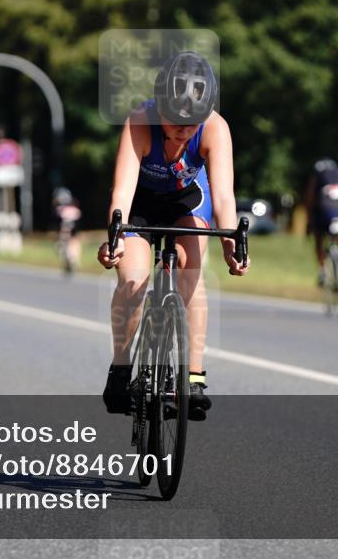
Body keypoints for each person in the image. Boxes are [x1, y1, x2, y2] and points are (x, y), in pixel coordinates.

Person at [97, 51, 249, 421]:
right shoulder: (139, 121)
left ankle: (193, 376)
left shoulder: (215, 127)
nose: (185, 128)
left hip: (187, 202)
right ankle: (120, 368)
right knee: (133, 279)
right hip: (141, 205)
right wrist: (114, 239)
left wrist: (231, 243)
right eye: (176, 118)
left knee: (190, 268)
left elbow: (225, 195)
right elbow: (122, 192)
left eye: (192, 121)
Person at [303, 158, 338, 294]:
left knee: (319, 238)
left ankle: (322, 271)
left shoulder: (318, 176)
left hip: (327, 207)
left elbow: (310, 199)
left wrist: (310, 224)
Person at [52, 187, 82, 275]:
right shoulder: (74, 207)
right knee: (74, 241)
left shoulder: (59, 209)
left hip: (65, 226)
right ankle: (73, 258)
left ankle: (69, 257)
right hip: (73, 224)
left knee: (63, 241)